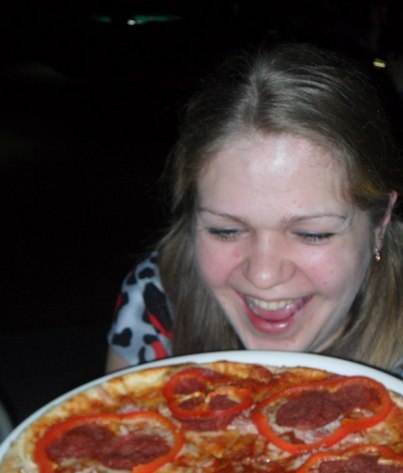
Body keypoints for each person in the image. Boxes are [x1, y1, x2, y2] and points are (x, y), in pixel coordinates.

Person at [106, 41, 403, 378]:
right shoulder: (159, 294)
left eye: (312, 234)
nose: (263, 275)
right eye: (225, 231)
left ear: (380, 224)